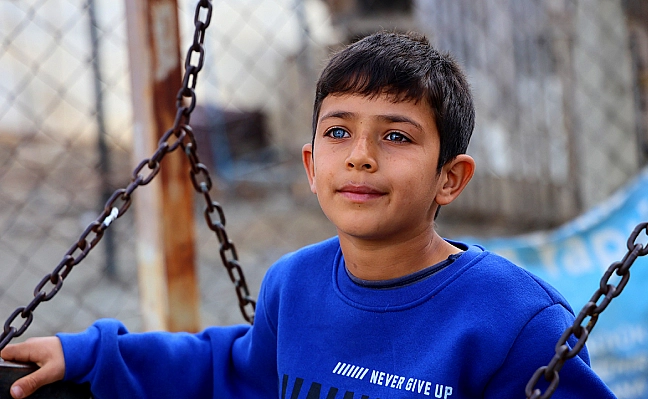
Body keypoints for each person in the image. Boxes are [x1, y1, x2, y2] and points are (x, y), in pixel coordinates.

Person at [0, 31, 615, 399]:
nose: (362, 158)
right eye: (339, 132)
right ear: (310, 164)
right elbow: (232, 370)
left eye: (397, 137)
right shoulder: (292, 286)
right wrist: (89, 355)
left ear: (450, 178)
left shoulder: (516, 323)